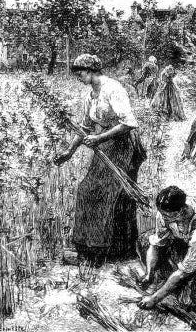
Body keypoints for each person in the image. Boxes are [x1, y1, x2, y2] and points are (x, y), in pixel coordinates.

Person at [55, 54, 147, 262]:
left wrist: (98, 138)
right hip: (105, 144)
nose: (78, 77)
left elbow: (128, 123)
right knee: (87, 190)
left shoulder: (113, 89)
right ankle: (87, 248)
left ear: (91, 71)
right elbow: (85, 127)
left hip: (123, 144)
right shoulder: (90, 96)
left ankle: (102, 252)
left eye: (80, 73)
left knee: (107, 194)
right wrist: (69, 151)